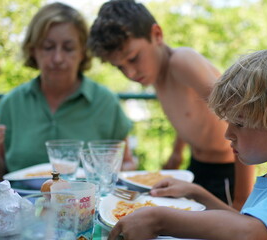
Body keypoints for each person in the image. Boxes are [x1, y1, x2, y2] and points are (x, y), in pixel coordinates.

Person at [108, 47, 267, 240]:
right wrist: (197, 193)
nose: (228, 134)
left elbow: (250, 232)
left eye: (239, 123)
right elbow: (244, 222)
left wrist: (159, 219)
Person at [88, 0, 254, 208]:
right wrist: (176, 154)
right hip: (197, 166)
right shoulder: (156, 75)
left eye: (133, 58)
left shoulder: (181, 61)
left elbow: (242, 117)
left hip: (229, 172)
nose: (130, 73)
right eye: (119, 67)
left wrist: (242, 197)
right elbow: (189, 114)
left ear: (156, 34)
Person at [0, 2, 136, 181]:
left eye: (68, 48)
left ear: (83, 52)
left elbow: (128, 164)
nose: (58, 58)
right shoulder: (11, 104)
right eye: (48, 47)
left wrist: (110, 173)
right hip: (21, 205)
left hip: (87, 205)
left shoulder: (106, 102)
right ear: (33, 50)